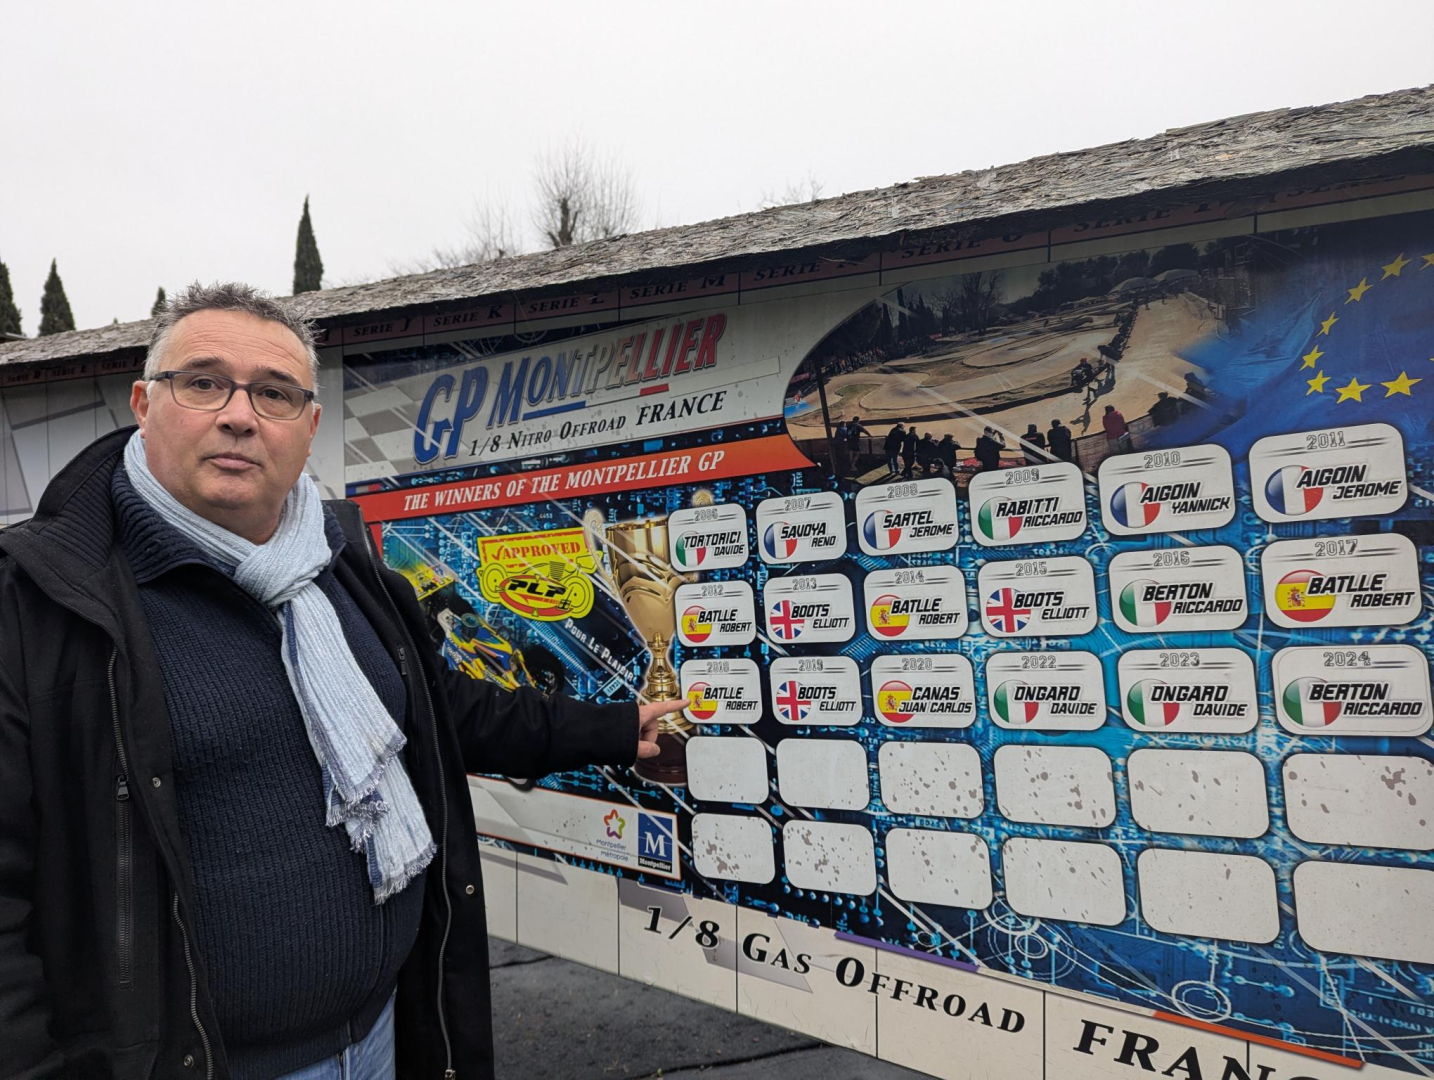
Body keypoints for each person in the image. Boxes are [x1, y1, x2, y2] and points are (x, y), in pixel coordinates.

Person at [0, 283, 687, 1080]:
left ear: (309, 426)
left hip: (387, 1032)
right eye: (203, 382)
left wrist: (609, 729)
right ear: (143, 403)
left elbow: (432, 709)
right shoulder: (42, 607)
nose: (238, 414)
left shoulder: (341, 565)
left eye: (275, 393)